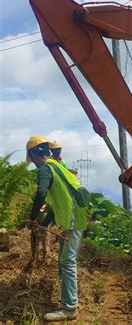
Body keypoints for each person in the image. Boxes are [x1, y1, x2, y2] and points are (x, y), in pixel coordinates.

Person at [26, 135, 87, 322]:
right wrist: (43, 224)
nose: (34, 164)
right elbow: (57, 199)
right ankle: (68, 289)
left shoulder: (45, 168)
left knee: (67, 261)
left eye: (32, 159)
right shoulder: (58, 166)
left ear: (35, 154)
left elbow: (42, 192)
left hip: (74, 217)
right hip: (78, 214)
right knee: (64, 249)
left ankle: (70, 308)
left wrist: (33, 216)